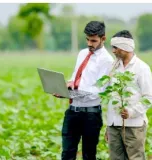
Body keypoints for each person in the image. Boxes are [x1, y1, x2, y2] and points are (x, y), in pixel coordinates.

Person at [53, 21, 113, 160]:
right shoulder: (82, 53)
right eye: (87, 39)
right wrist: (67, 86)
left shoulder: (107, 60)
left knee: (88, 155)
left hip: (91, 115)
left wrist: (76, 91)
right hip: (72, 111)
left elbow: (100, 90)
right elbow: (76, 77)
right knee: (67, 153)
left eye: (93, 40)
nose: (89, 44)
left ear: (103, 38)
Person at [106, 30, 152, 160]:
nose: (113, 51)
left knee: (135, 158)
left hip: (134, 125)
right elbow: (111, 96)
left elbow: (149, 97)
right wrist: (108, 126)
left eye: (115, 47)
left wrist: (131, 112)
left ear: (126, 47)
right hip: (114, 124)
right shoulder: (114, 67)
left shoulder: (142, 68)